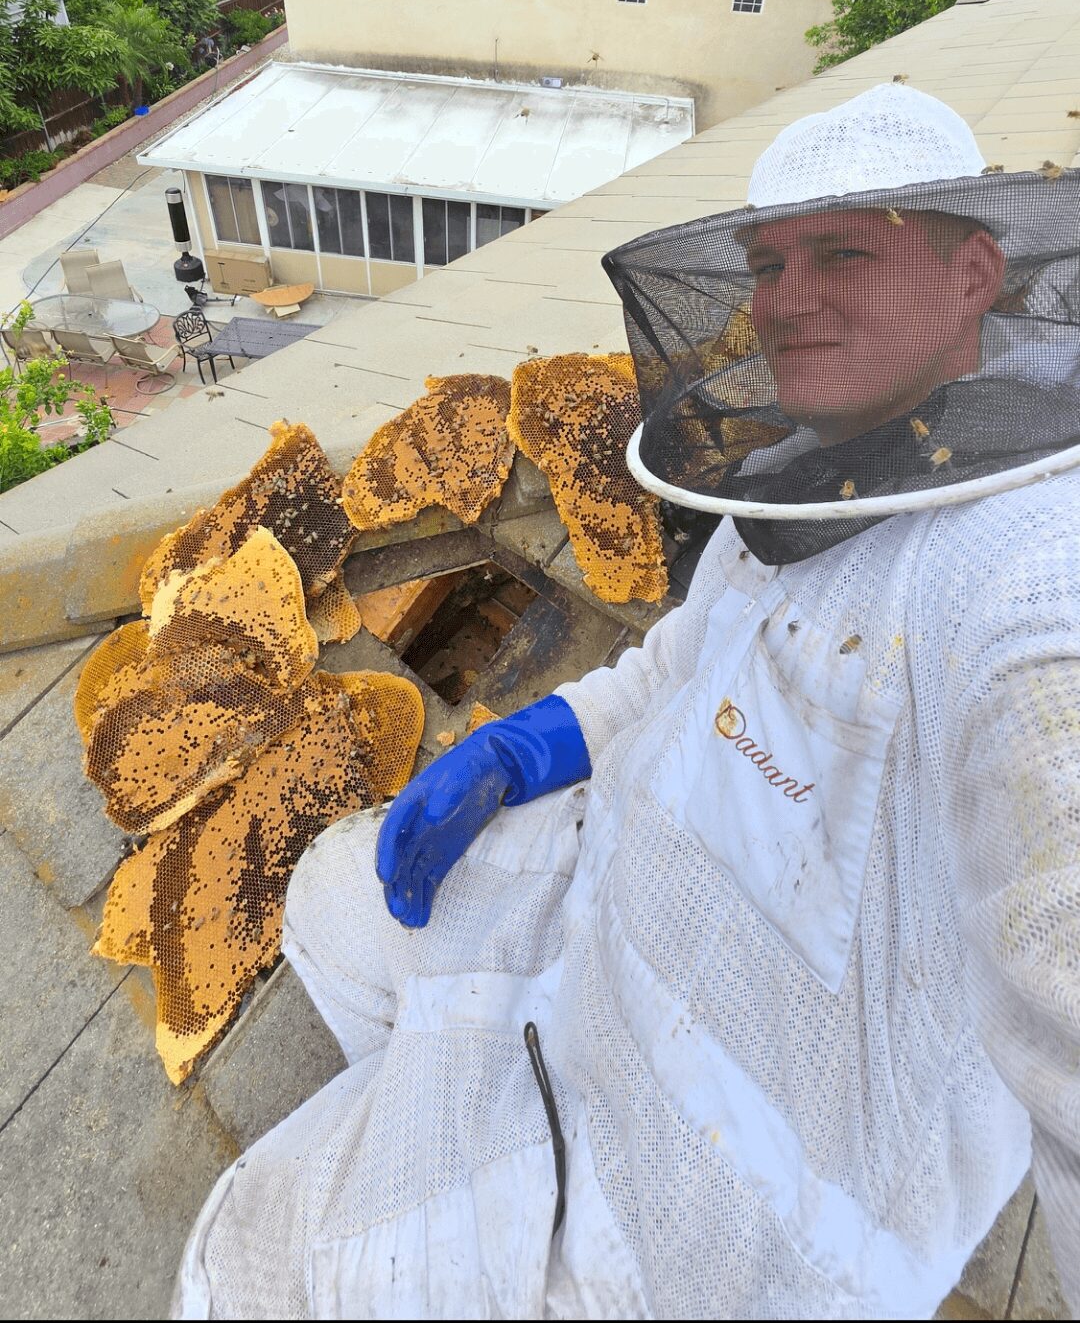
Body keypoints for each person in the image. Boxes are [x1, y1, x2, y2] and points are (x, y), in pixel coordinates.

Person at [175, 84, 1080, 1321]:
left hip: (739, 1179)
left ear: (973, 272)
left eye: (843, 254)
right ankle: (439, 1101)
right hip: (604, 914)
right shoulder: (808, 477)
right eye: (768, 262)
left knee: (252, 1274)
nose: (787, 300)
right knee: (334, 891)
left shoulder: (1030, 576)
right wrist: (538, 740)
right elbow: (676, 666)